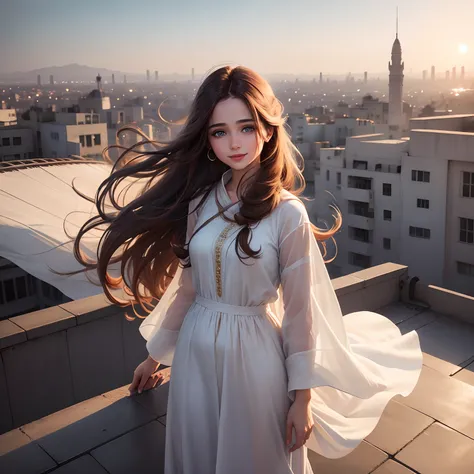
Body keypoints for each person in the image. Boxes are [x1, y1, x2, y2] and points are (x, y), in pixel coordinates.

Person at [74, 65, 423, 474]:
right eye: (219, 131)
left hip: (254, 355)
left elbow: (300, 312)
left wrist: (303, 399)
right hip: (194, 356)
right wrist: (153, 358)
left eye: (245, 126)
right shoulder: (200, 201)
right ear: (206, 139)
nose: (234, 143)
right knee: (199, 455)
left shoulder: (287, 214)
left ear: (268, 129)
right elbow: (188, 288)